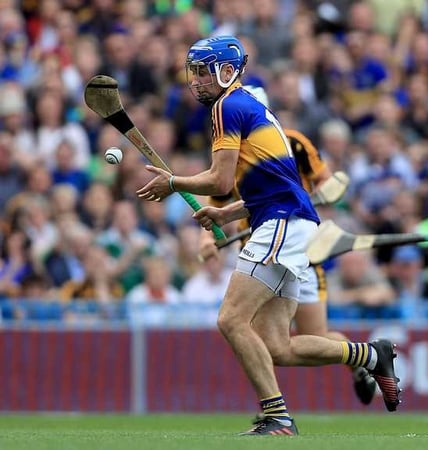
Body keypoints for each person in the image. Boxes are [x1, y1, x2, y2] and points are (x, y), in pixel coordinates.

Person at [136, 36, 399, 436]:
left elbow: (219, 180)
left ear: (227, 71)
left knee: (230, 319)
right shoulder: (249, 106)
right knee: (279, 347)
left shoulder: (227, 107)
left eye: (204, 72)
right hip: (288, 221)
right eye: (194, 72)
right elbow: (270, 187)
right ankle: (369, 355)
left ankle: (277, 416)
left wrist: (173, 182)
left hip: (281, 225)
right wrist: (227, 212)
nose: (196, 81)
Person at [197, 126, 378, 406]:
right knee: (266, 341)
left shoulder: (293, 142)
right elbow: (218, 199)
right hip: (260, 249)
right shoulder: (228, 152)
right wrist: (206, 239)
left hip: (297, 246)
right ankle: (274, 408)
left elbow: (328, 183)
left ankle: (359, 360)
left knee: (312, 338)